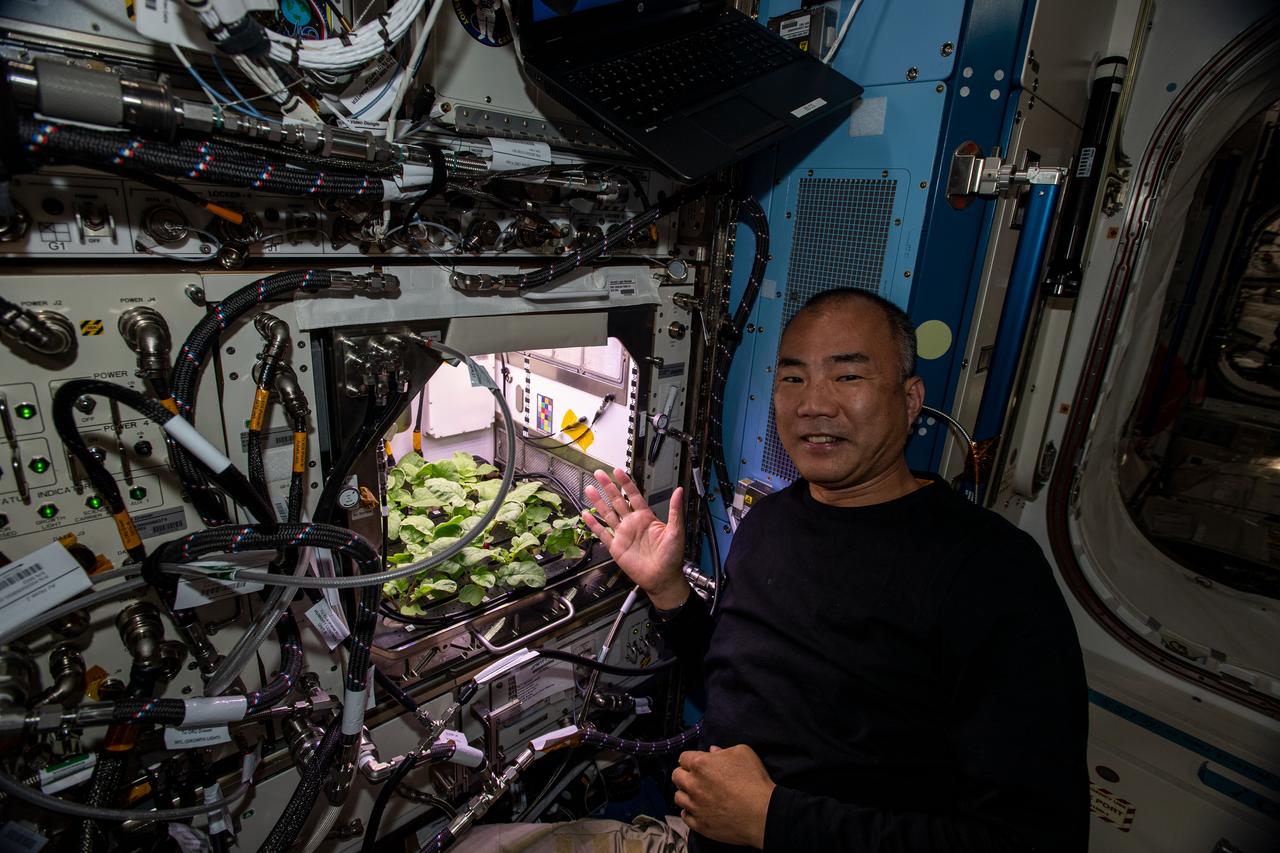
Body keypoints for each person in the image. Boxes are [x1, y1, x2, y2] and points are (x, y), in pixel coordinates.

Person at [577, 288, 1089, 852]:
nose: (813, 404)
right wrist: (669, 590)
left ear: (911, 400)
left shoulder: (993, 572)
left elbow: (1034, 838)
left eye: (848, 376)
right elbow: (735, 681)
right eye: (793, 378)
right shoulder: (769, 521)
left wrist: (772, 819)